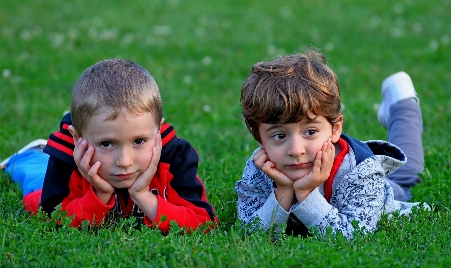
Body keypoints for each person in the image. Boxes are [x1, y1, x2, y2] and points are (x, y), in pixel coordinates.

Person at [2, 59, 217, 233]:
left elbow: (205, 222)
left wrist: (143, 195)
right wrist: (99, 194)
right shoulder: (67, 157)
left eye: (139, 141)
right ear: (78, 139)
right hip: (47, 180)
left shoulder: (176, 157)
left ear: (158, 132)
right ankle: (30, 156)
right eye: (106, 144)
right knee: (34, 188)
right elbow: (52, 220)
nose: (125, 161)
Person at [235, 49, 427, 239]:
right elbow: (250, 233)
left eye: (310, 132)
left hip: (380, 191)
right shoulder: (260, 167)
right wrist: (283, 192)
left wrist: (305, 192)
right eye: (279, 136)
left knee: (408, 174)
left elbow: (352, 236)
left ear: (335, 129)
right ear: (259, 138)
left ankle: (402, 101)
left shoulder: (362, 172)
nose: (296, 150)